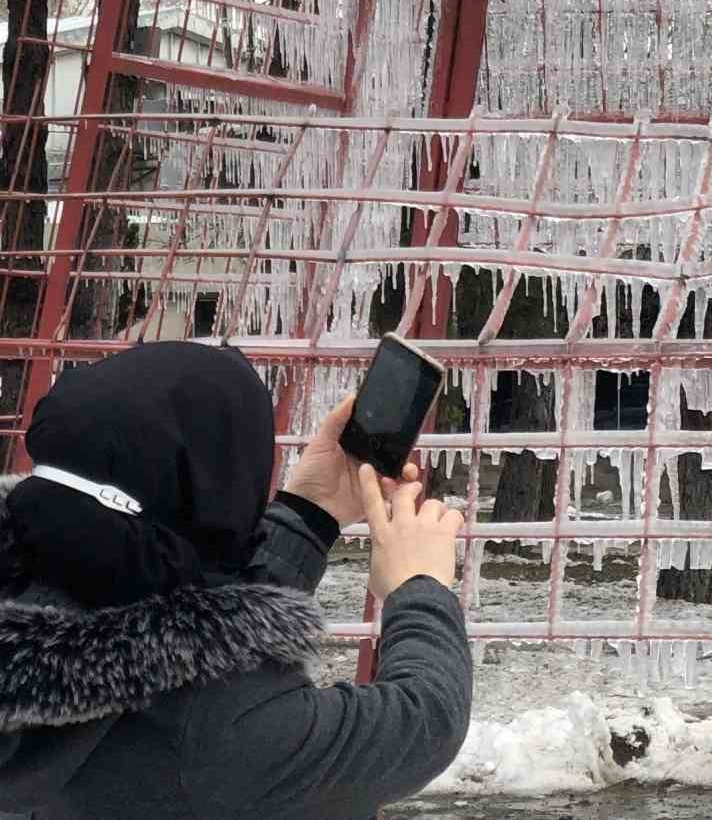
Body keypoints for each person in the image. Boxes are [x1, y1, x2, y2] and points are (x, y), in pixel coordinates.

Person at [0, 341, 471, 820]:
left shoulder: (32, 608)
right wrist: (419, 586)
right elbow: (425, 722)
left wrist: (312, 512)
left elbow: (181, 615)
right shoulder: (217, 728)